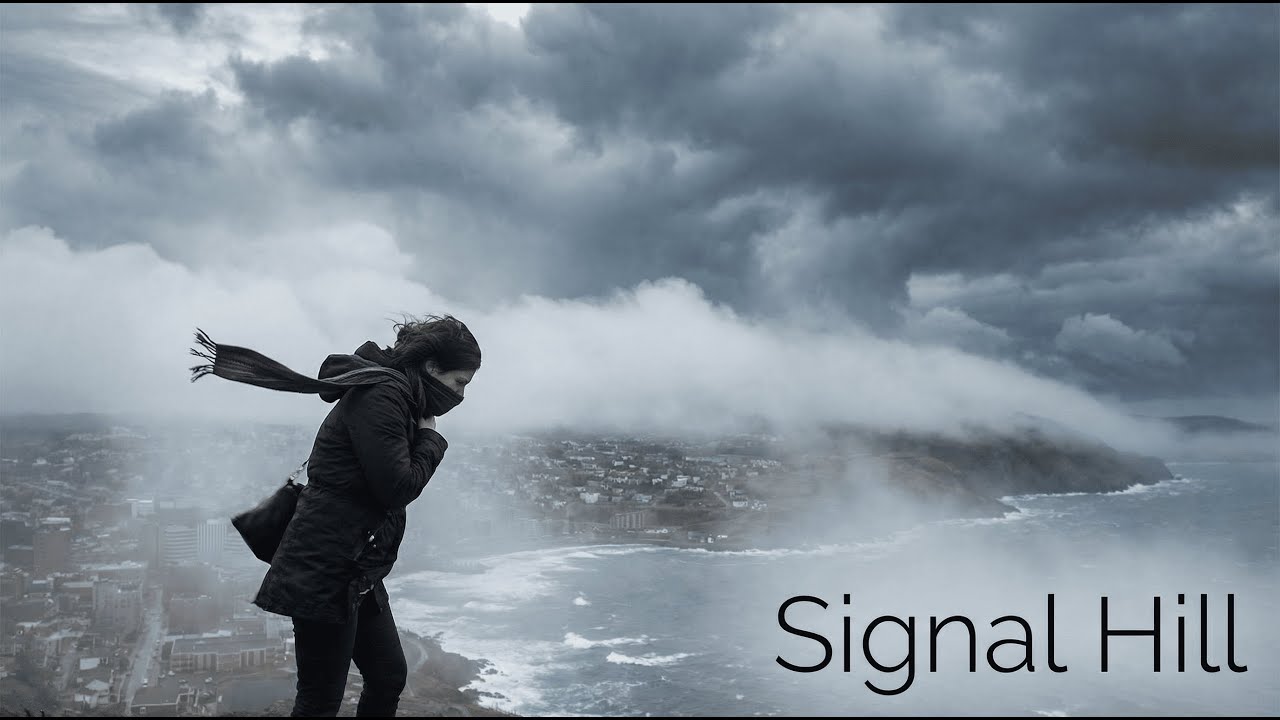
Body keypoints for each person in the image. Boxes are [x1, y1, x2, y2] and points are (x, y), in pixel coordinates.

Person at [188, 315, 480, 716]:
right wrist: (430, 440)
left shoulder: (395, 393)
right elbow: (396, 489)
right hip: (326, 568)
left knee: (387, 676)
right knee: (320, 697)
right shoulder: (384, 396)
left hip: (356, 564)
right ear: (432, 368)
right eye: (460, 382)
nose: (460, 395)